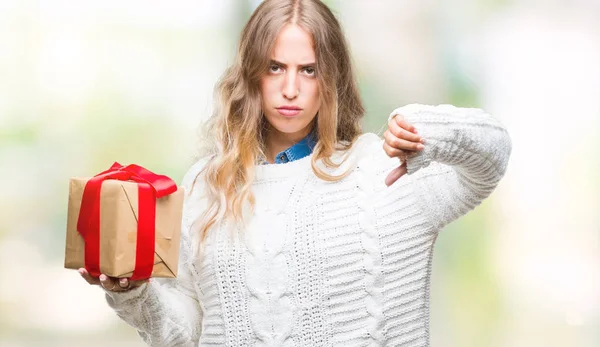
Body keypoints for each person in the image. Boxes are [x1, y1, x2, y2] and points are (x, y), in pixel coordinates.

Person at [79, 0, 512, 346]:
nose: (290, 88)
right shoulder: (203, 187)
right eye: (275, 68)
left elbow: (490, 160)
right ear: (251, 76)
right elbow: (185, 334)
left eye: (309, 70)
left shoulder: (384, 173)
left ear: (332, 78)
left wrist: (428, 129)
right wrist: (132, 293)